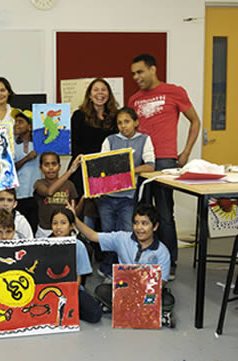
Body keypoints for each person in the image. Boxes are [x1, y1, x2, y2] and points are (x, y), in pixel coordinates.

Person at [129, 54, 201, 279]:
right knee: (140, 212)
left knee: (164, 213)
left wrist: (186, 151)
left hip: (165, 161)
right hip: (141, 162)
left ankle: (169, 262)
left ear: (153, 69)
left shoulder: (174, 91)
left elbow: (195, 121)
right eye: (133, 74)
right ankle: (143, 258)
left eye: (140, 72)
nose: (136, 77)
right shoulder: (133, 100)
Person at [66, 201, 176, 328]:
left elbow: (161, 282)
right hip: (124, 291)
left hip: (147, 293)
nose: (139, 228)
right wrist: (74, 218)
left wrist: (141, 292)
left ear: (155, 226)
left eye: (144, 223)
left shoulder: (162, 251)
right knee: (101, 290)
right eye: (136, 223)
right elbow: (93, 236)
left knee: (168, 300)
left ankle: (120, 308)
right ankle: (154, 314)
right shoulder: (122, 238)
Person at [96, 107, 155, 277]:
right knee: (108, 232)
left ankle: (125, 267)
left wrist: (128, 170)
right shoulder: (110, 140)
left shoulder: (144, 139)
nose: (123, 126)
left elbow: (150, 165)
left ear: (136, 122)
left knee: (127, 231)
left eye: (127, 121)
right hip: (107, 196)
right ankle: (108, 267)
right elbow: (101, 164)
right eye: (119, 123)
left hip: (128, 197)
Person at [49, 208, 102, 324]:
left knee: (95, 313)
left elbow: (79, 277)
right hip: (48, 290)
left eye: (63, 223)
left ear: (72, 226)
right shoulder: (43, 245)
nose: (58, 227)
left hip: (72, 289)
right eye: (55, 223)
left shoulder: (79, 246)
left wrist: (71, 297)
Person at [33, 151, 80, 237]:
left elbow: (74, 210)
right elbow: (49, 192)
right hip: (45, 230)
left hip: (65, 230)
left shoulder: (69, 184)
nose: (50, 168)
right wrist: (70, 171)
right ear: (41, 168)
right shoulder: (39, 183)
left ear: (59, 166)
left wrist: (84, 199)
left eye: (54, 164)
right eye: (46, 164)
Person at [12, 109, 41, 234]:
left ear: (30, 126)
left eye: (20, 122)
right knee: (18, 229)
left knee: (34, 227)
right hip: (18, 194)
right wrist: (27, 158)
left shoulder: (40, 145)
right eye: (15, 122)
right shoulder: (11, 144)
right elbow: (9, 169)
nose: (16, 125)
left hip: (35, 194)